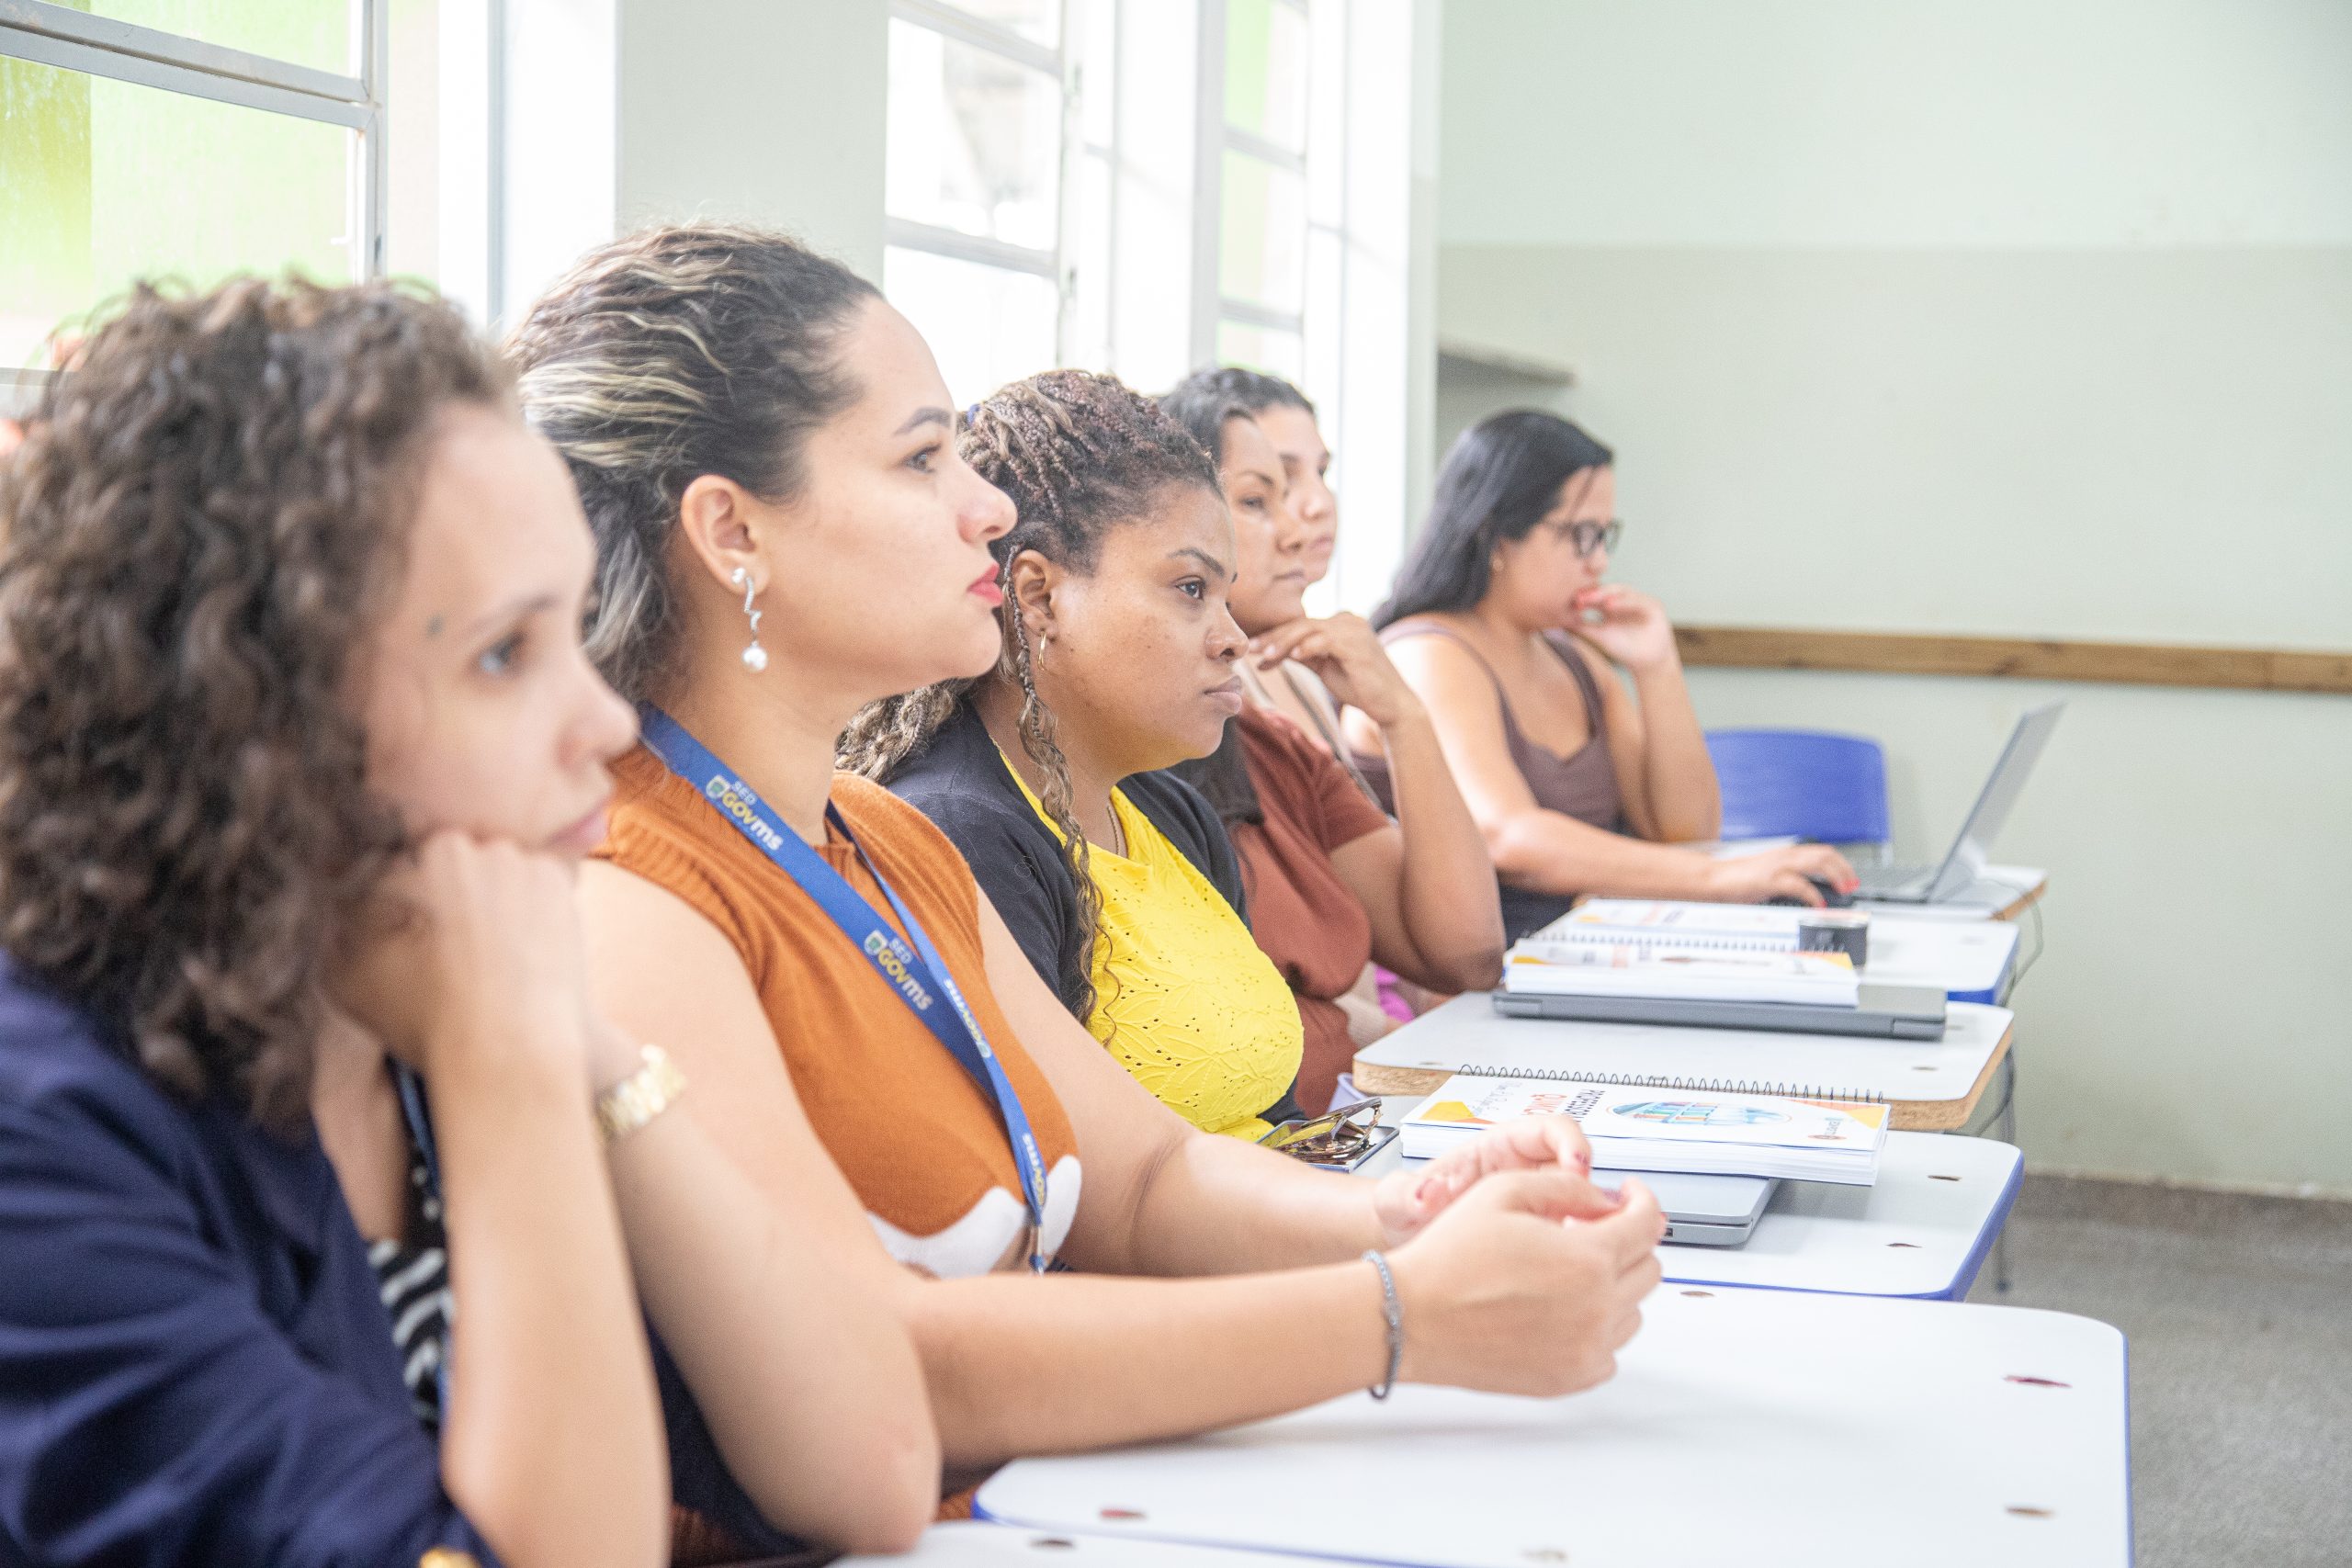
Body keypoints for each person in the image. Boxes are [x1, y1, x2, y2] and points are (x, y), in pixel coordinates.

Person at [511, 223, 1665, 1490]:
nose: (989, 507)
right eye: (922, 457)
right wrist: (1405, 1313)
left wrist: (1412, 1216)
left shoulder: (883, 839)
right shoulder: (627, 886)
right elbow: (881, 1368)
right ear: (733, 531)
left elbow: (1150, 1178)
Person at [0, 278, 938, 1568]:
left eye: (574, 634)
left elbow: (872, 1471)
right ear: (254, 726)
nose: (604, 724)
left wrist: (577, 1053)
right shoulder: (40, 1137)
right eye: (505, 656)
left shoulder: (428, 989)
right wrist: (508, 1075)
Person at [855, 370, 1306, 1140]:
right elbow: (1065, 1191)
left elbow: (1277, 1114)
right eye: (1191, 588)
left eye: (1226, 597)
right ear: (1039, 598)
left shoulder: (1172, 813)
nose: (1233, 637)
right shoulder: (963, 834)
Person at [1345, 410, 1857, 939]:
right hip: (1485, 979)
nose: (1598, 564)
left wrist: (1657, 668)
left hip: (1585, 958)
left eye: (1603, 536)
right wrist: (1718, 877)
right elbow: (1508, 837)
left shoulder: (1571, 656)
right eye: (1581, 535)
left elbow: (1685, 831)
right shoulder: (1431, 653)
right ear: (1497, 537)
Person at [1154, 385, 1504, 1112]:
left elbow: (1466, 950)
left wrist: (1404, 716)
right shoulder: (1122, 758)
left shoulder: (1272, 734)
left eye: (1306, 485)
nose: (1297, 530)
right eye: (1257, 501)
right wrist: (1359, 1028)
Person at [1161, 367, 1345, 750]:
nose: (1319, 505)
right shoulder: (1188, 695)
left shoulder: (1304, 677)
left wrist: (1403, 716)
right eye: (1255, 500)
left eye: (1323, 472)